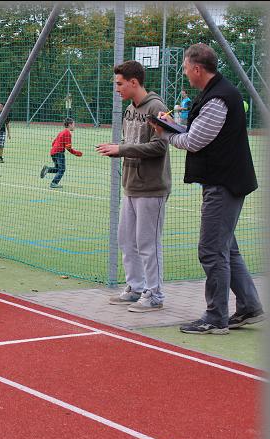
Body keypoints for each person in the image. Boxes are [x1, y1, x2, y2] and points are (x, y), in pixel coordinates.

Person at [150, 43, 264, 334]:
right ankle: (249, 307)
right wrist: (174, 125)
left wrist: (165, 134)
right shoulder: (215, 93)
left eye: (186, 67)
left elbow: (194, 141)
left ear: (197, 68)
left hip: (224, 183)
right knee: (227, 249)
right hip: (227, 180)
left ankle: (216, 318)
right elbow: (195, 132)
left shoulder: (218, 99)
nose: (185, 72)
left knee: (211, 251)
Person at [96, 60, 171, 313]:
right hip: (131, 186)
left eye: (119, 84)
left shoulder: (157, 107)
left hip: (152, 188)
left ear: (133, 82)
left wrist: (122, 149)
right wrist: (118, 149)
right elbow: (132, 143)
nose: (116, 89)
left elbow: (160, 146)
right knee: (127, 239)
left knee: (148, 243)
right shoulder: (130, 109)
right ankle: (135, 287)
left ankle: (155, 294)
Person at [40, 118, 82, 188]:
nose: (74, 126)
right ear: (69, 125)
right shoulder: (67, 133)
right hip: (59, 152)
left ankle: (48, 169)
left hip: (53, 152)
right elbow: (68, 147)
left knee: (58, 169)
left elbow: (53, 143)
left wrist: (56, 148)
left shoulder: (61, 132)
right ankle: (54, 183)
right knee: (62, 169)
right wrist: (76, 153)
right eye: (73, 124)